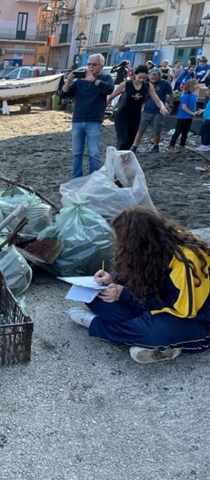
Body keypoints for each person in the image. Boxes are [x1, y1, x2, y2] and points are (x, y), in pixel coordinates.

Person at [68, 206, 210, 364]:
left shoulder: (186, 261)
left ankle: (98, 325)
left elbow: (183, 310)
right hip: (151, 308)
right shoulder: (150, 250)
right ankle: (142, 339)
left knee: (155, 332)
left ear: (136, 243)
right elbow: (138, 278)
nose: (118, 246)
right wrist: (112, 280)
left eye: (121, 242)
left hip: (193, 321)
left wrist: (124, 295)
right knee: (94, 295)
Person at [58, 53, 115, 178]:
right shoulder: (80, 81)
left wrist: (93, 80)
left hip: (94, 121)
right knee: (76, 153)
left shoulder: (105, 78)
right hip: (78, 120)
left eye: (94, 64)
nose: (90, 67)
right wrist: (68, 82)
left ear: (101, 66)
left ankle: (93, 178)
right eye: (89, 64)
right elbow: (63, 94)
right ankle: (76, 177)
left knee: (94, 153)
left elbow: (110, 90)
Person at [107, 65, 168, 151]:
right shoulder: (126, 84)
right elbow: (110, 97)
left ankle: (125, 161)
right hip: (122, 116)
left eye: (144, 78)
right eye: (140, 77)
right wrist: (101, 110)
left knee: (130, 142)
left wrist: (162, 107)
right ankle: (119, 159)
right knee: (122, 141)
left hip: (135, 117)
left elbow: (157, 100)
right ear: (134, 75)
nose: (141, 80)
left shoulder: (147, 86)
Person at [130, 68, 173, 154]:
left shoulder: (164, 83)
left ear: (159, 76)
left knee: (157, 129)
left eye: (155, 79)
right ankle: (134, 146)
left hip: (159, 111)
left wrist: (171, 105)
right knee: (140, 129)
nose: (153, 80)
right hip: (146, 110)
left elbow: (171, 94)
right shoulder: (145, 84)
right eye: (151, 78)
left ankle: (156, 146)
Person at [168, 78, 203, 153]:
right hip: (182, 117)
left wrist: (193, 115)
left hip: (189, 116)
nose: (197, 85)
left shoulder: (193, 95)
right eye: (196, 84)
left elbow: (193, 106)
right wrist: (192, 113)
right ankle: (171, 146)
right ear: (191, 86)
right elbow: (184, 106)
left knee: (185, 132)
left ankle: (182, 145)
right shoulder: (186, 95)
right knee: (178, 131)